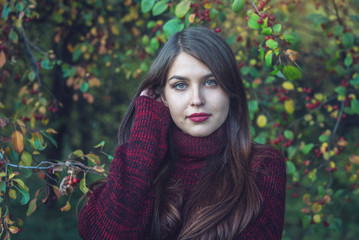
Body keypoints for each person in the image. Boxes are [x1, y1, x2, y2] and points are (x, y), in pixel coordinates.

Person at [78, 27, 286, 240]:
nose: (197, 99)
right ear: (163, 96)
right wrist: (145, 135)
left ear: (230, 91)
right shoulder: (141, 165)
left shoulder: (262, 166)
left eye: (210, 82)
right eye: (180, 85)